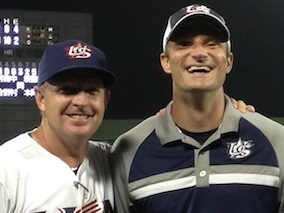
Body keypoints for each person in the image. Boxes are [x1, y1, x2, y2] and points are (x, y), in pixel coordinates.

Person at [110, 4, 284, 213]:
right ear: (166, 62)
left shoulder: (276, 141)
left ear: (228, 61)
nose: (199, 53)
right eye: (184, 44)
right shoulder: (128, 151)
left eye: (211, 44)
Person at [0, 40, 116, 212]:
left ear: (105, 100)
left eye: (92, 91)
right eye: (67, 90)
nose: (81, 102)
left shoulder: (113, 161)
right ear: (41, 99)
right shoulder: (6, 168)